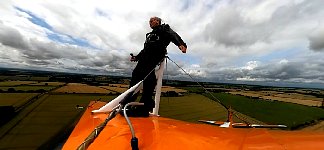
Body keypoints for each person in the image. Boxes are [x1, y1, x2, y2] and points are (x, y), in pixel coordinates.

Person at [124, 16, 187, 117]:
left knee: (148, 77)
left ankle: (144, 107)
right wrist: (136, 57)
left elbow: (173, 35)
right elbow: (145, 49)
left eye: (152, 20)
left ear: (158, 21)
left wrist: (181, 44)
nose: (150, 22)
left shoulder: (164, 29)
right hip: (144, 58)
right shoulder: (150, 35)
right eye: (149, 21)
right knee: (135, 76)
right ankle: (127, 103)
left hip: (154, 56)